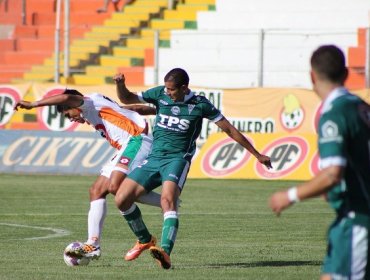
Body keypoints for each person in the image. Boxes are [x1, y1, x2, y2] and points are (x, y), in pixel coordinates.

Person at [113, 68, 272, 269]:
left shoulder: (200, 104)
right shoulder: (160, 94)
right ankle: (144, 239)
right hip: (154, 158)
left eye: (171, 89)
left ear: (184, 87)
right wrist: (120, 84)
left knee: (167, 200)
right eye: (167, 88)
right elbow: (127, 98)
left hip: (177, 159)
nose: (167, 92)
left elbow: (230, 129)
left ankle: (165, 252)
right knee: (121, 198)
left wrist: (257, 154)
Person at [14, 89, 163, 261]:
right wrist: (159, 110)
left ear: (74, 104)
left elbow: (67, 97)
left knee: (115, 187)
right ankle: (94, 244)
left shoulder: (89, 104)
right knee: (97, 190)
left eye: (68, 113)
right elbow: (133, 110)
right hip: (128, 145)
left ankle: (167, 203)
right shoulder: (98, 106)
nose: (70, 118)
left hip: (136, 140)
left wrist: (33, 104)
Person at [269, 45, 370, 280]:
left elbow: (332, 173)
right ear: (345, 74)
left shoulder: (334, 113)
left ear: (312, 76)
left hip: (357, 220)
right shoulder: (362, 108)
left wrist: (290, 195)